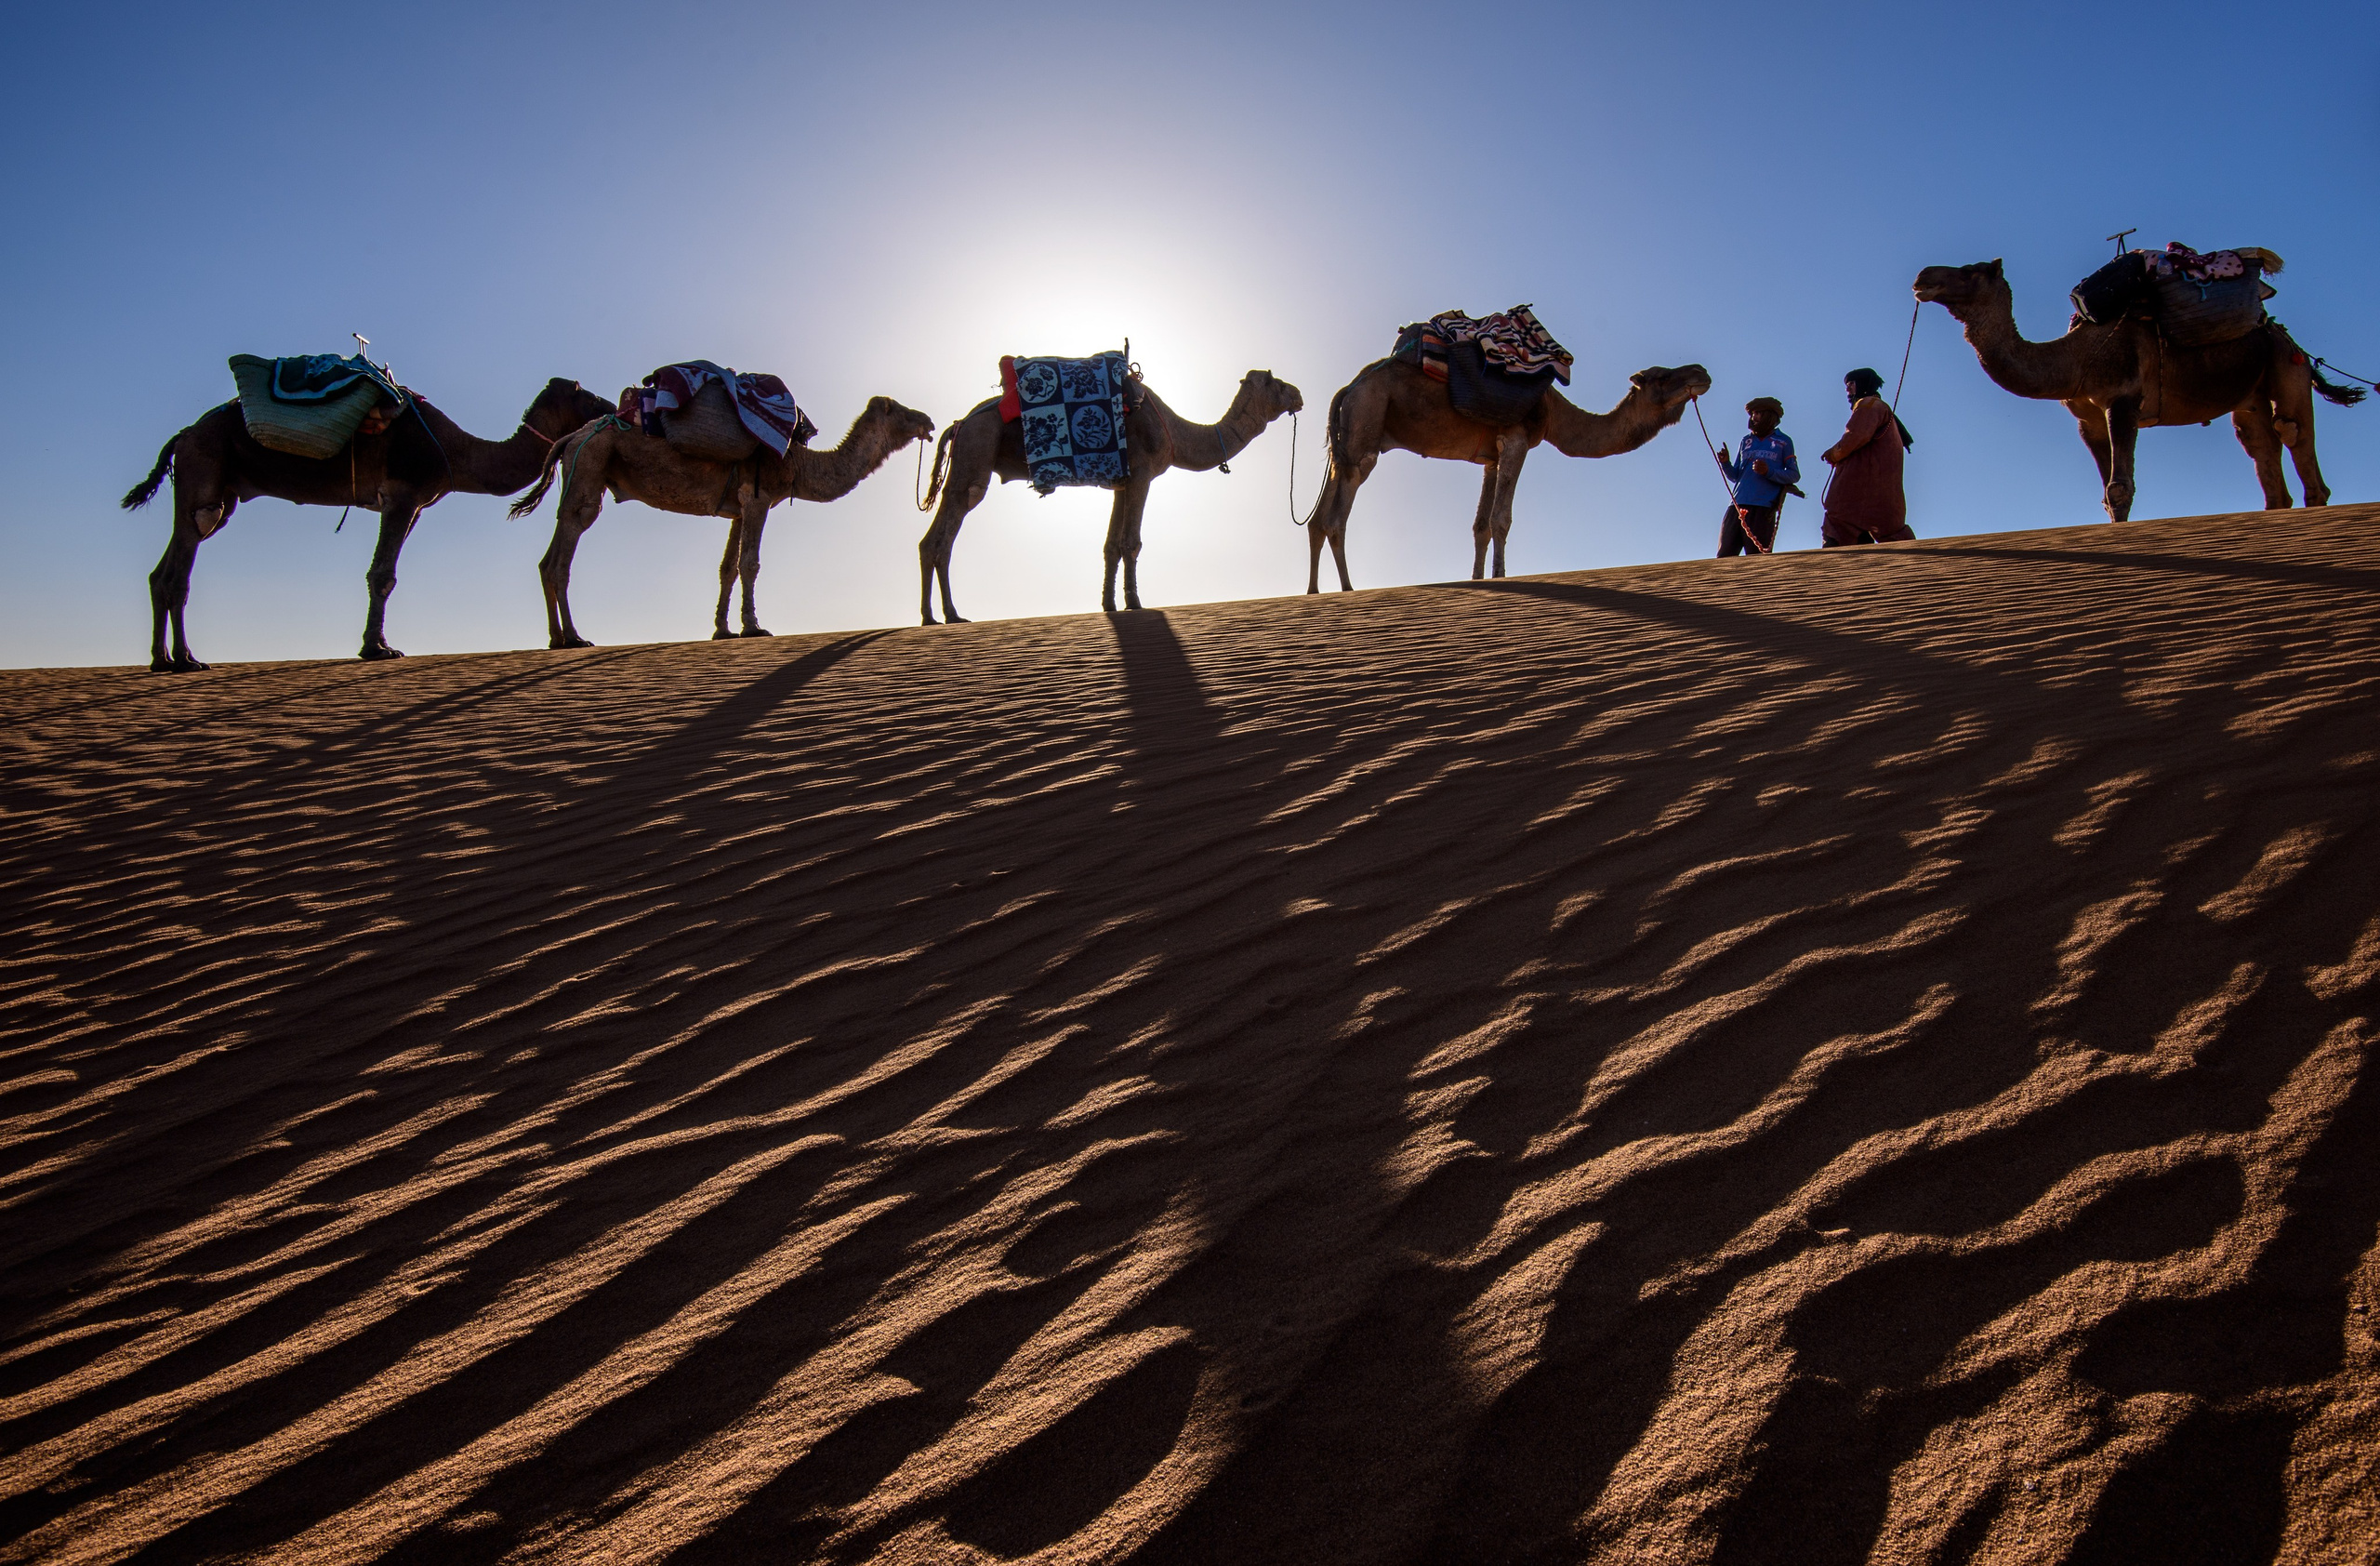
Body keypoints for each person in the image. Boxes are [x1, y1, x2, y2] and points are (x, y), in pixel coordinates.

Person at [1819, 367, 1915, 546]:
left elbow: (1855, 437)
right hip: (1884, 497)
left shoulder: (1869, 405)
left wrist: (1834, 453)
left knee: (1837, 532)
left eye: (1851, 384)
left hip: (1858, 494)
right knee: (1892, 540)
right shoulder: (1880, 409)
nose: (1848, 390)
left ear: (1862, 384)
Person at [1712, 396, 1798, 556]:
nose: (1753, 417)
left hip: (1763, 507)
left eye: (1758, 413)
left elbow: (1793, 475)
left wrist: (1768, 472)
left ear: (1769, 415)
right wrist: (1726, 463)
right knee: (1724, 555)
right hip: (1737, 505)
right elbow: (1736, 476)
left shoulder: (1784, 442)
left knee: (1757, 557)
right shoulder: (1746, 441)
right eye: (1752, 414)